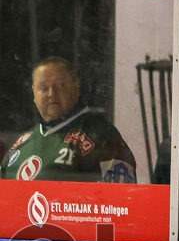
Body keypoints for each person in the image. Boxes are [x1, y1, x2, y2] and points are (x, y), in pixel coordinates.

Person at [1, 56, 136, 182]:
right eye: (43, 88)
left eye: (60, 85)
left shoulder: (101, 134)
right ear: (34, 93)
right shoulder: (21, 144)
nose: (51, 94)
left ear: (75, 85)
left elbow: (121, 199)